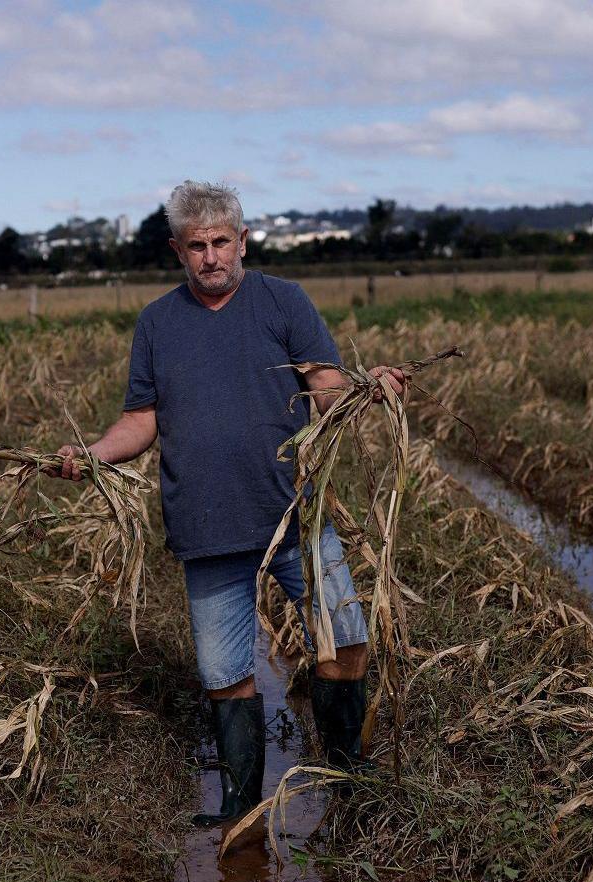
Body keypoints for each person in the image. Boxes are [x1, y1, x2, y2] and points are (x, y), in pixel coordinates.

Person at [50, 180, 406, 828]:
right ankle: (243, 807)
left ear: (243, 240)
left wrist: (364, 386)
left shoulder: (282, 302)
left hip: (296, 513)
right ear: (177, 250)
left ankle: (349, 778)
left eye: (221, 242)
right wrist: (93, 454)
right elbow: (140, 418)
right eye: (197, 246)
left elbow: (324, 384)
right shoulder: (159, 323)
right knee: (225, 673)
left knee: (345, 642)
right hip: (208, 525)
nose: (211, 256)